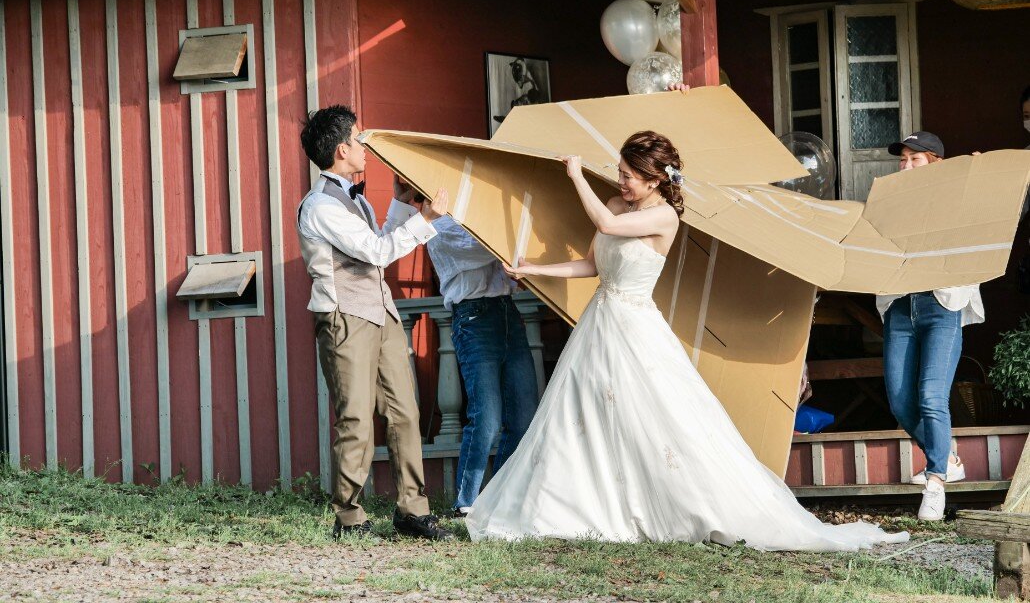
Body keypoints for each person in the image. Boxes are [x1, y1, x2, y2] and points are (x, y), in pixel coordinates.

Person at [465, 131, 908, 551]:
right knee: (582, 412)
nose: (621, 182)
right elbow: (591, 265)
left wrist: (576, 174)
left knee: (658, 418)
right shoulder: (617, 203)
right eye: (620, 173)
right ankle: (575, 504)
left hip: (636, 328)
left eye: (628, 175)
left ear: (655, 179)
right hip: (599, 323)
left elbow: (605, 223)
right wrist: (533, 269)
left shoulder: (665, 217)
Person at [296, 104, 454, 541]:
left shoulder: (356, 199)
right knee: (356, 418)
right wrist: (426, 219)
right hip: (344, 318)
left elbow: (379, 238)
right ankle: (349, 517)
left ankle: (412, 510)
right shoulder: (320, 206)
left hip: (381, 313)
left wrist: (402, 204)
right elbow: (378, 252)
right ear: (342, 149)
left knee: (405, 410)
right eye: (359, 139)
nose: (366, 146)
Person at [876, 132, 983, 521]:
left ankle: (935, 482)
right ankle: (948, 458)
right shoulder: (889, 204)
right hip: (900, 305)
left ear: (935, 164)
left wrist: (976, 176)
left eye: (915, 159)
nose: (905, 165)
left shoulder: (957, 200)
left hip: (942, 304)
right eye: (902, 159)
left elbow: (988, 213)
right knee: (900, 401)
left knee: (931, 396)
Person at [418, 210, 539, 517]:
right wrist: (517, 246)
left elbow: (507, 265)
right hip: (473, 318)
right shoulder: (439, 226)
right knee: (486, 417)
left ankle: (498, 498)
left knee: (523, 416)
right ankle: (465, 503)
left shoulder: (483, 218)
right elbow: (484, 248)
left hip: (508, 313)